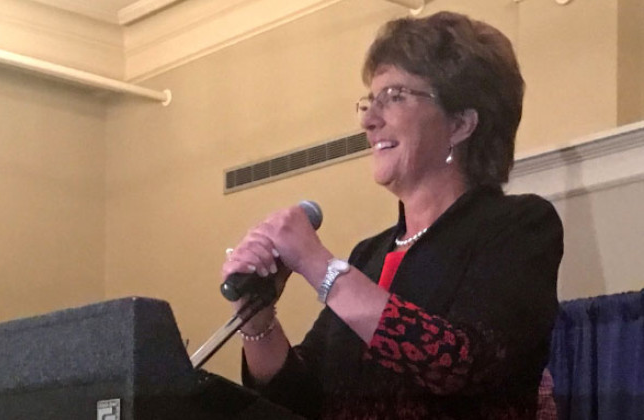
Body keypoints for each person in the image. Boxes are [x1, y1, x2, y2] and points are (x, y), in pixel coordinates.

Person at [221, 11, 563, 420]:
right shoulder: (369, 255)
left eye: (395, 96)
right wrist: (257, 317)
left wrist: (318, 265)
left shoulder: (519, 226)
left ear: (460, 123)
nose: (369, 120)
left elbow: (458, 364)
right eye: (370, 101)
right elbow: (302, 402)